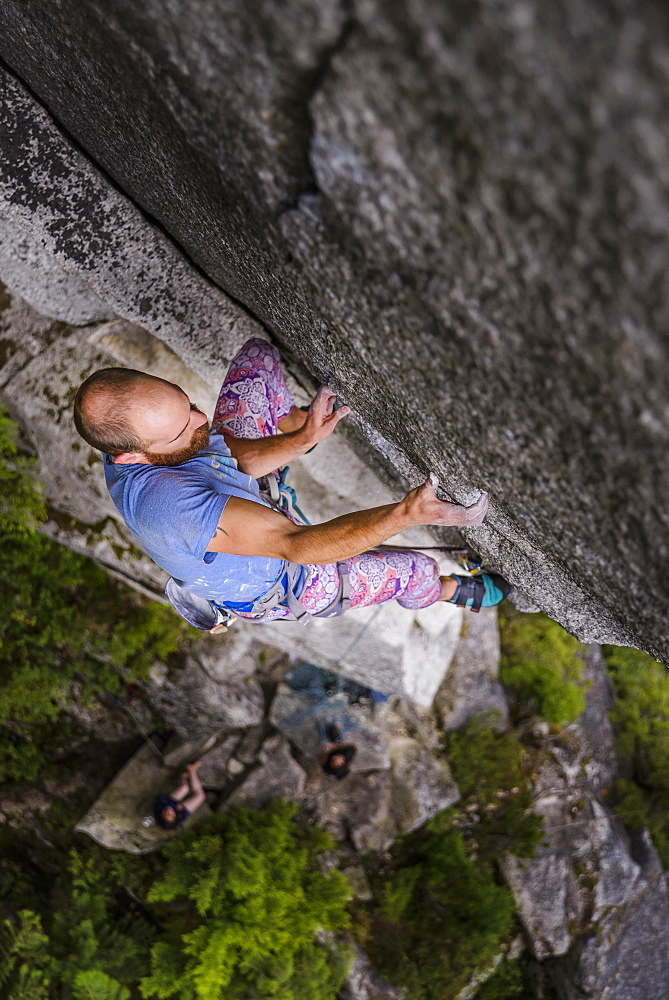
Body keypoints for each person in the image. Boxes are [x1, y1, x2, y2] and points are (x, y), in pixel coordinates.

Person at [73, 337, 508, 622]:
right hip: (288, 580)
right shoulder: (170, 511)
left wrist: (301, 439)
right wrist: (405, 514)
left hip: (240, 506)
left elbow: (223, 458)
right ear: (131, 456)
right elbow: (297, 544)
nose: (200, 420)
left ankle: (301, 419)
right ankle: (451, 591)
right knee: (417, 571)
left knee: (256, 361)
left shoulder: (132, 431)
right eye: (180, 430)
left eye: (186, 404)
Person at [153, 760, 206, 830]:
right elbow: (184, 813)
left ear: (161, 815)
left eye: (165, 814)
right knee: (200, 796)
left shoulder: (158, 808)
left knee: (185, 788)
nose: (169, 812)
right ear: (175, 816)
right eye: (172, 815)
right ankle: (192, 770)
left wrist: (172, 805)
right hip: (180, 809)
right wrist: (179, 808)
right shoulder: (180, 816)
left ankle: (182, 778)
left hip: (169, 801)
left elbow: (161, 798)